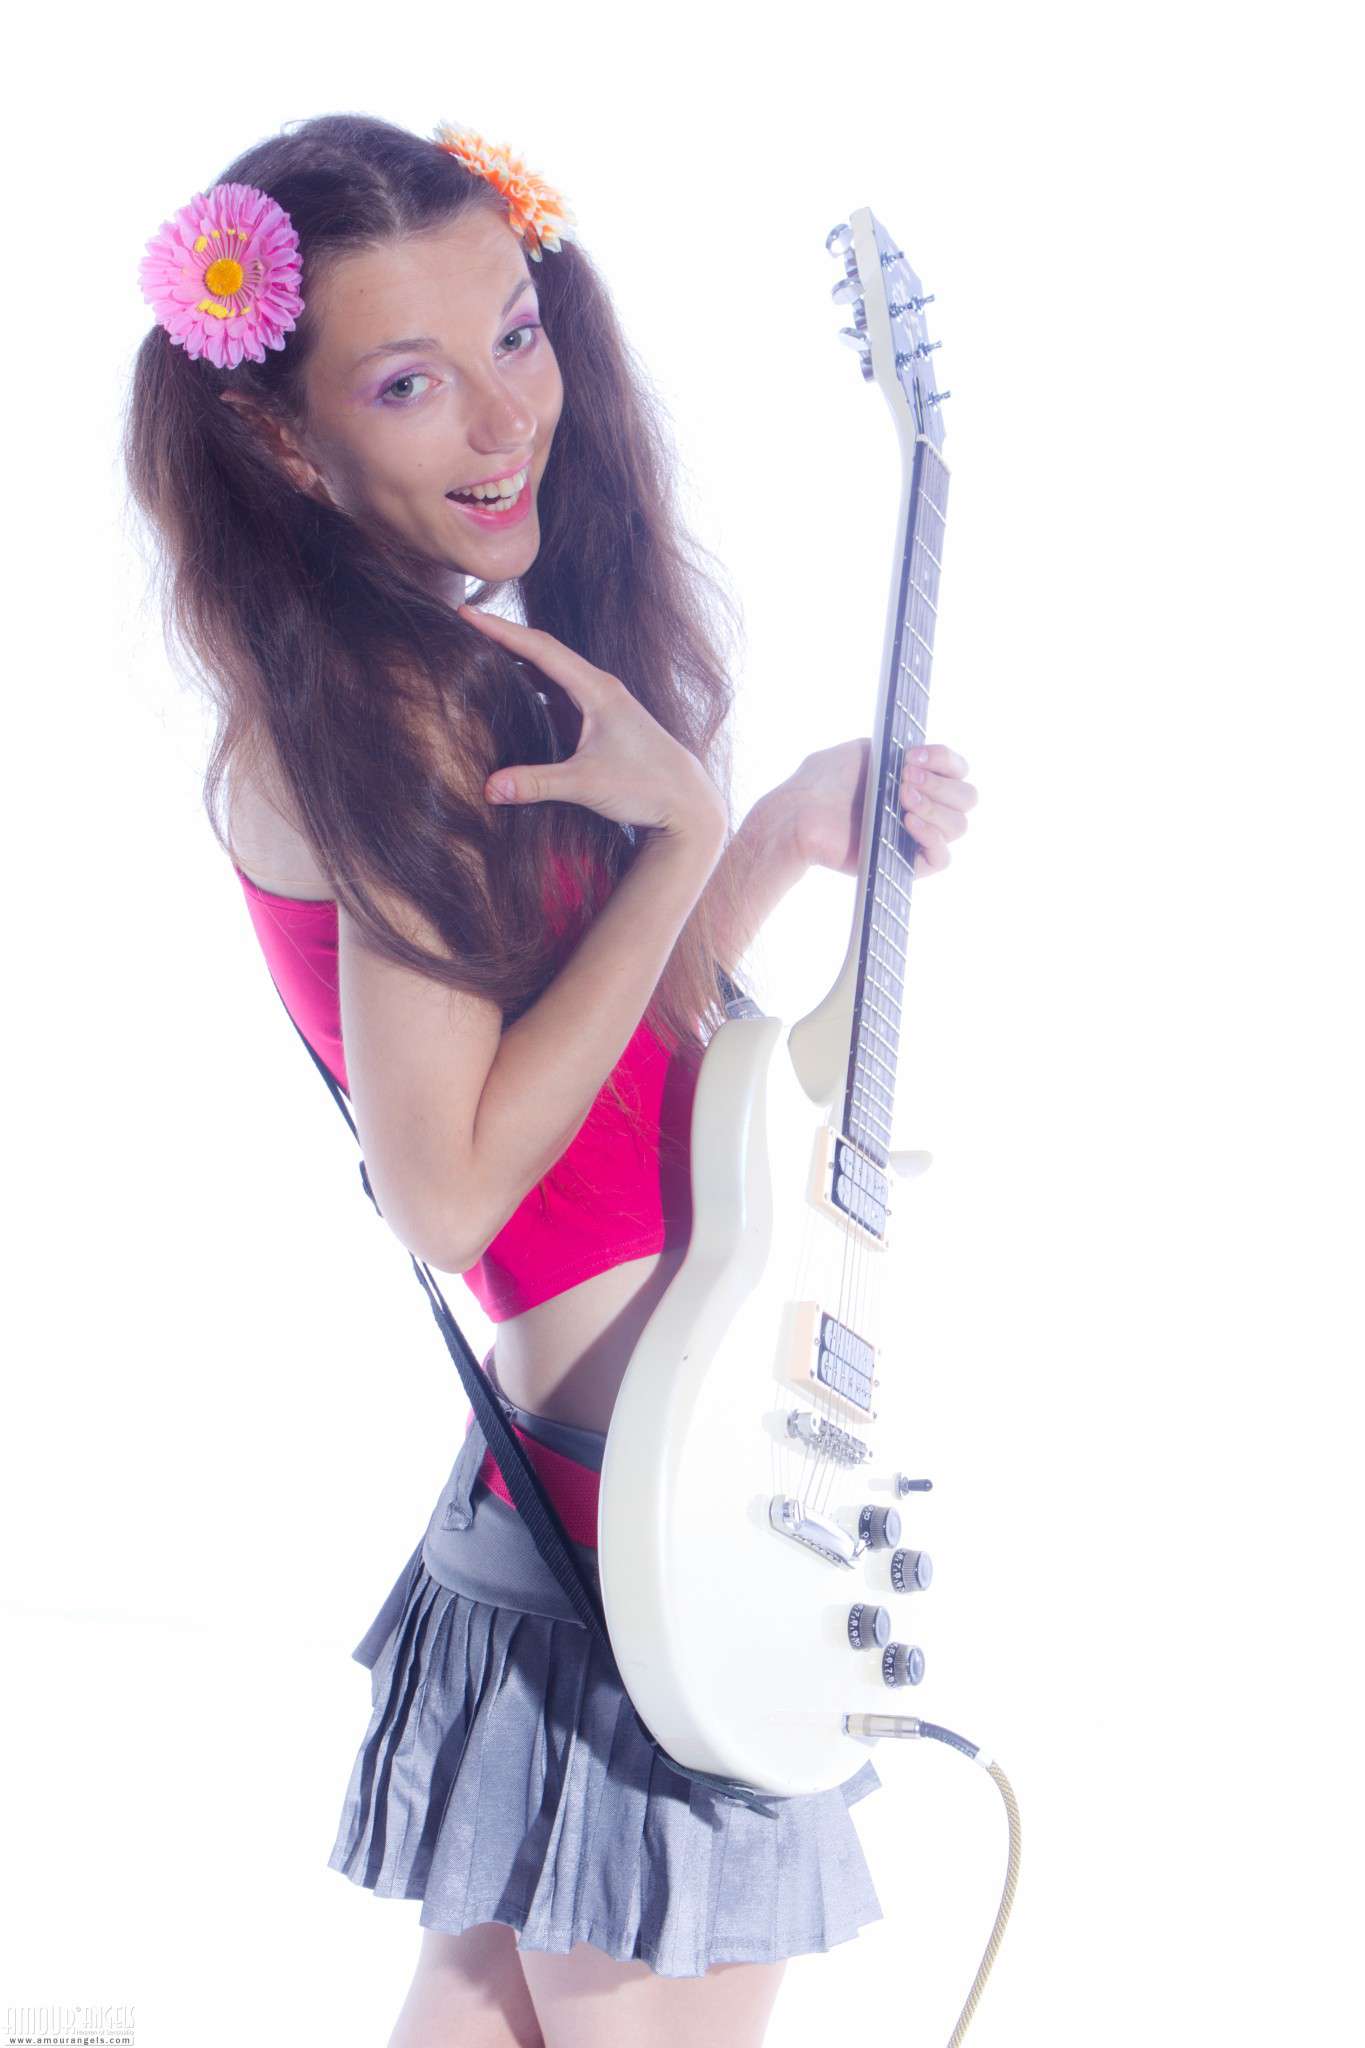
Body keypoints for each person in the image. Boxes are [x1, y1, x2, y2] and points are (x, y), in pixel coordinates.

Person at [124, 111, 978, 2048]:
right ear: (283, 437)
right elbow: (448, 1189)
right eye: (407, 380)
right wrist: (674, 843)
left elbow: (580, 1063)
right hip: (637, 1527)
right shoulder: (389, 713)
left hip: (636, 1488)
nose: (504, 415)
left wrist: (768, 834)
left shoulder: (433, 674)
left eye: (514, 333)